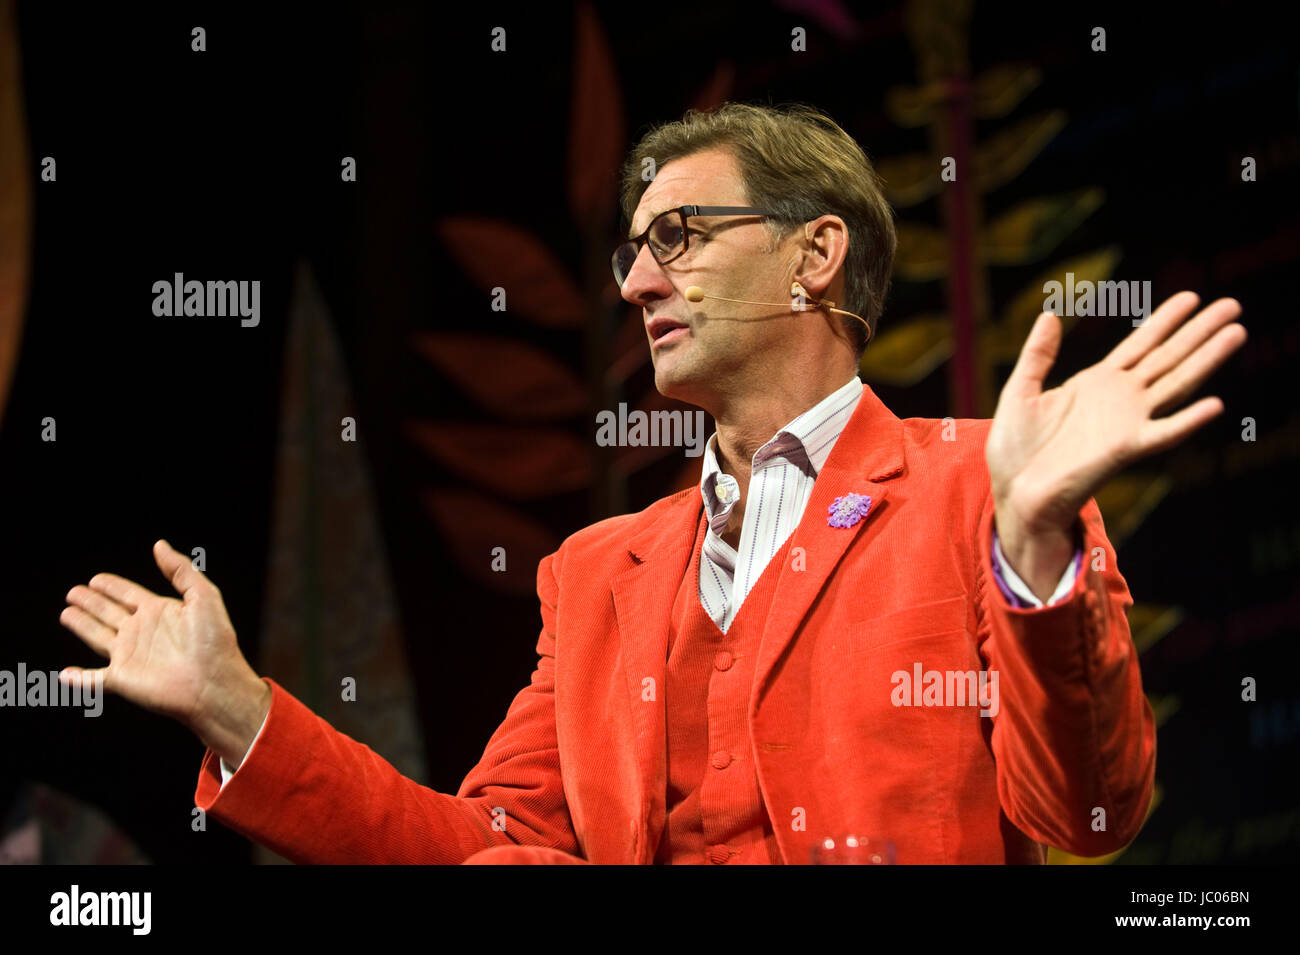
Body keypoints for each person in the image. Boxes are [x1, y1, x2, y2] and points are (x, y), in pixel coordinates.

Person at [57, 102, 1245, 864]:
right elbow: (486, 845)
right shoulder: (594, 573)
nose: (636, 283)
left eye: (677, 236)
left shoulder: (984, 490)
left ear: (813, 256)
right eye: (629, 251)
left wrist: (1034, 546)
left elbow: (1091, 814)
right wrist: (243, 713)